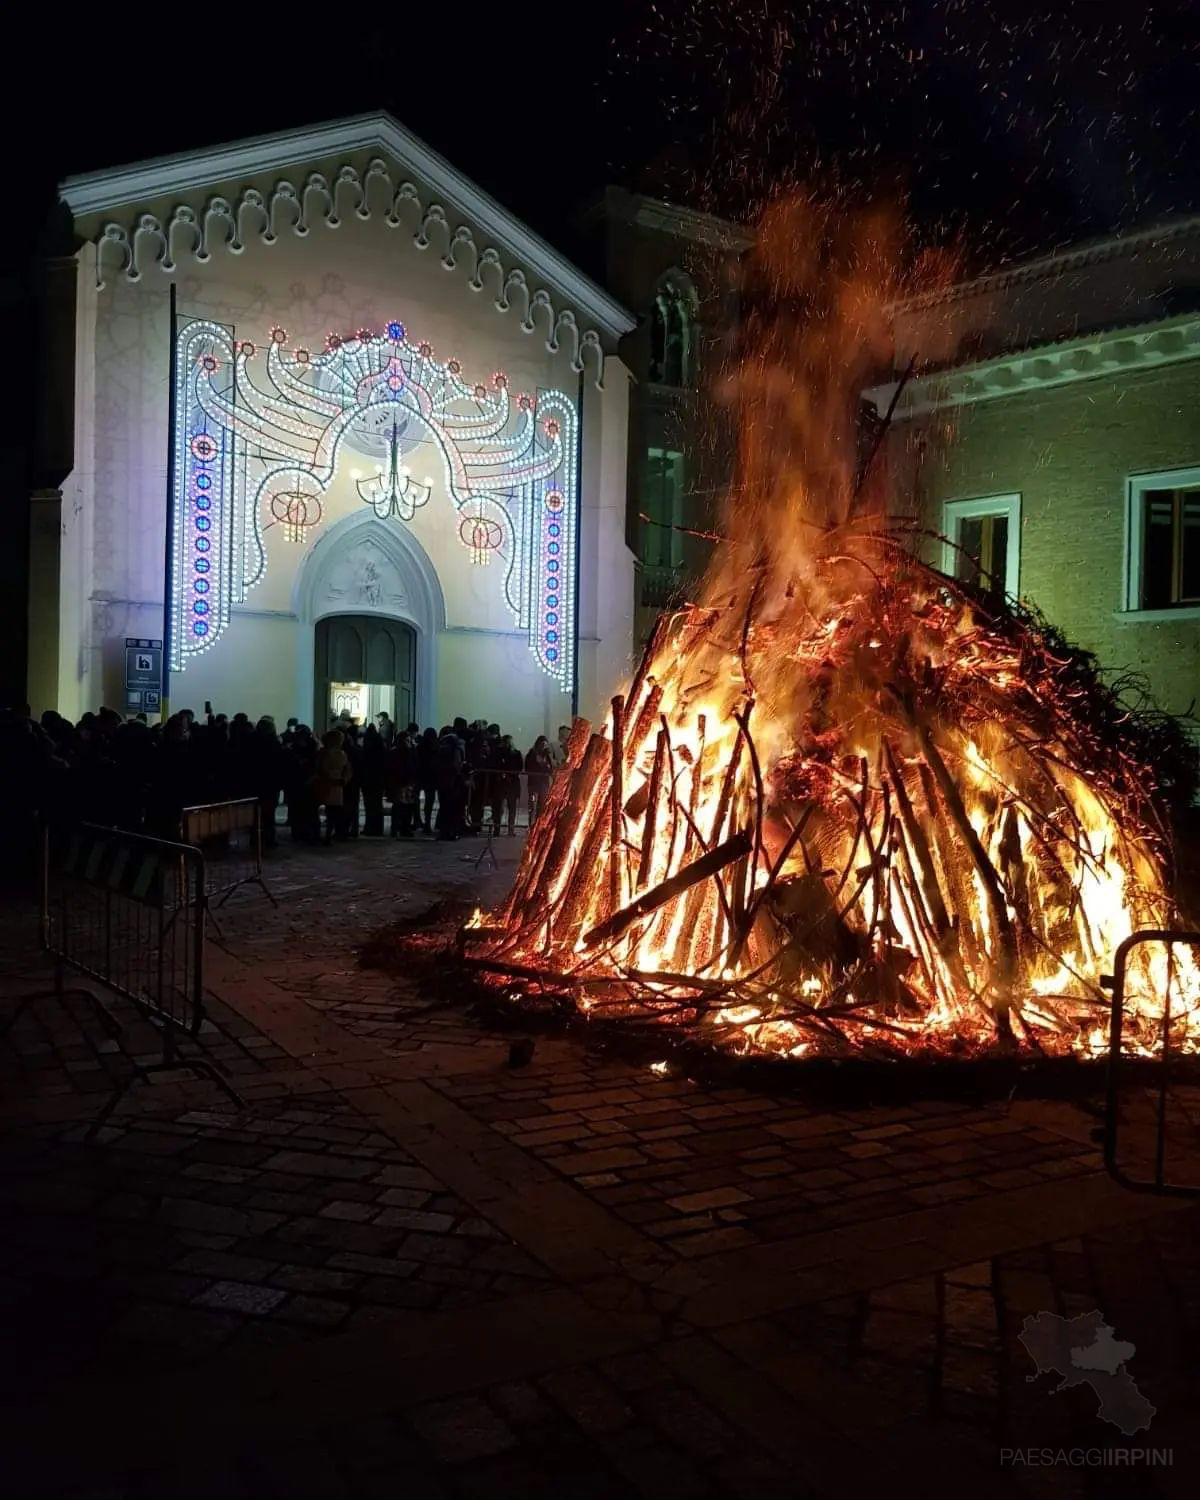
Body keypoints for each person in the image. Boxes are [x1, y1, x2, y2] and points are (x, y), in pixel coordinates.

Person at [314, 729, 350, 846]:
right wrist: (343, 779)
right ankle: (328, 834)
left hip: (328, 782)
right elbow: (347, 769)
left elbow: (320, 768)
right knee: (332, 811)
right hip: (335, 783)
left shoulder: (325, 753)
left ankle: (323, 834)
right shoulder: (341, 754)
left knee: (326, 810)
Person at [435, 724, 467, 840]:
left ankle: (445, 832)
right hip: (454, 780)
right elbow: (458, 763)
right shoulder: (458, 744)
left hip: (445, 780)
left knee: (445, 806)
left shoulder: (443, 745)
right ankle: (451, 831)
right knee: (451, 807)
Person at [386, 728, 418, 837]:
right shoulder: (407, 752)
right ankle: (403, 828)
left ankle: (398, 828)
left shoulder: (395, 751)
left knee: (401, 806)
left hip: (402, 782)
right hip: (404, 782)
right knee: (404, 806)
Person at [491, 734, 523, 836]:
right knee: (507, 807)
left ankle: (500, 830)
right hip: (508, 782)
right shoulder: (514, 753)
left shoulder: (498, 753)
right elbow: (519, 767)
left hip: (504, 783)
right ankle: (508, 830)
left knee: (501, 807)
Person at [525, 735, 554, 826]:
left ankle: (538, 824)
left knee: (542, 805)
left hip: (544, 784)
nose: (543, 746)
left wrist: (545, 763)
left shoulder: (547, 755)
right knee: (533, 804)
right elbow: (528, 767)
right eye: (542, 744)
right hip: (533, 784)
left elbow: (550, 769)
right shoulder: (532, 753)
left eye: (545, 744)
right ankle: (531, 824)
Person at [417, 726, 439, 834]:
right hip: (433, 777)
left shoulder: (420, 746)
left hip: (422, 776)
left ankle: (421, 822)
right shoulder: (436, 747)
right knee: (430, 802)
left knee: (417, 801)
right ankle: (427, 824)